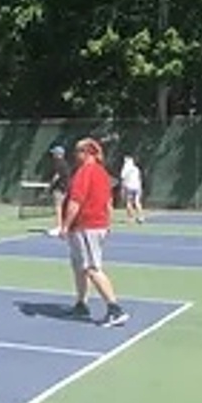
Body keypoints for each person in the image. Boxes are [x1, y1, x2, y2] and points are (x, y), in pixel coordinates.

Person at [59, 137, 129, 327]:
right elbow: (109, 203)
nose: (75, 156)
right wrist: (108, 223)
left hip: (87, 227)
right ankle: (81, 304)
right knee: (79, 266)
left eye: (78, 151)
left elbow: (76, 202)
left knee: (91, 268)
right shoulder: (102, 173)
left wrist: (64, 226)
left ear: (87, 152)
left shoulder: (86, 172)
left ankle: (115, 309)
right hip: (92, 227)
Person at [45, 145, 71, 236]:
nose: (53, 155)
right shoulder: (65, 163)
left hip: (59, 189)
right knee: (62, 207)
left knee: (58, 207)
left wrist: (50, 186)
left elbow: (56, 176)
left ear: (58, 154)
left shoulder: (58, 163)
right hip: (65, 188)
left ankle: (58, 227)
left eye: (54, 153)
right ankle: (63, 226)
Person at [120, 154, 144, 223]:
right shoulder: (136, 168)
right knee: (137, 202)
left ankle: (131, 218)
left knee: (128, 202)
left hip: (129, 187)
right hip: (137, 187)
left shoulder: (125, 168)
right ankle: (140, 217)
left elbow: (123, 178)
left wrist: (123, 189)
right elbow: (139, 178)